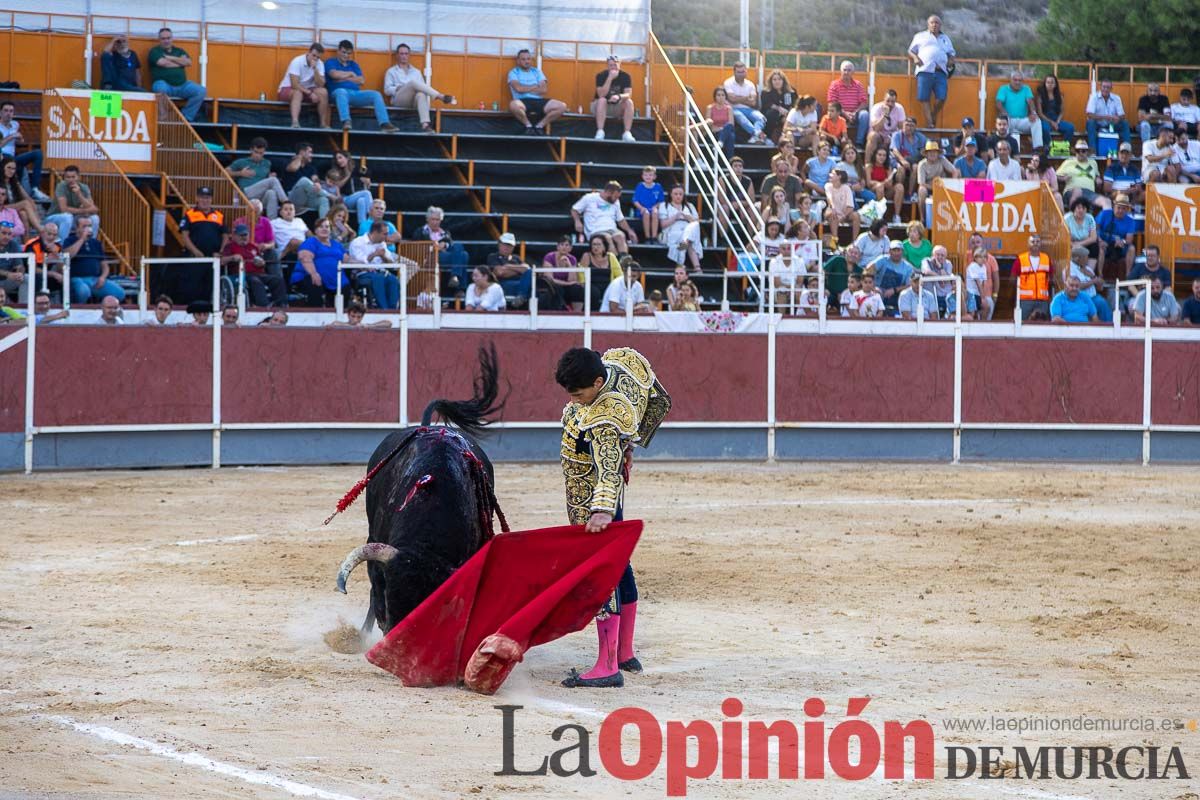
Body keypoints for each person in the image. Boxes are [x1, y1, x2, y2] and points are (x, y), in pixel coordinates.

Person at [556, 346, 671, 688]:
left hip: (592, 497)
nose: (575, 401)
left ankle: (607, 666)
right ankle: (624, 653)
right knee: (620, 565)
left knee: (601, 568)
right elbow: (657, 398)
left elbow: (606, 470)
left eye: (579, 394)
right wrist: (631, 444)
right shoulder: (621, 365)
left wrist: (602, 509)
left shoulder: (605, 417)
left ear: (596, 380)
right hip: (603, 492)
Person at [326, 40, 397, 133]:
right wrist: (351, 74)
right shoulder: (330, 62)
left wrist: (342, 78)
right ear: (338, 51)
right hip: (338, 93)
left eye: (348, 53)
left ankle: (385, 124)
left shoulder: (353, 64)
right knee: (341, 91)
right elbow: (334, 75)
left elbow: (361, 80)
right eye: (343, 52)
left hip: (355, 93)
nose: (346, 55)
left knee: (376, 94)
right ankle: (346, 121)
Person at [384, 43, 453, 134]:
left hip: (414, 101)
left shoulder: (416, 72)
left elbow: (423, 88)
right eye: (401, 54)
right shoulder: (391, 71)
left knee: (421, 94)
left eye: (406, 53)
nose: (404, 56)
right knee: (412, 83)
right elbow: (387, 90)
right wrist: (397, 88)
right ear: (397, 55)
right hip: (399, 99)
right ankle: (440, 96)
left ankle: (425, 125)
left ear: (409, 55)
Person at [177, 187, 226, 304]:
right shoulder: (189, 214)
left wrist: (220, 251)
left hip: (212, 259)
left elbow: (225, 235)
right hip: (194, 258)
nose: (205, 200)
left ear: (211, 199)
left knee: (209, 288)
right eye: (202, 197)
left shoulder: (219, 216)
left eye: (208, 198)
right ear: (197, 198)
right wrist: (195, 251)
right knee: (192, 288)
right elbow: (184, 236)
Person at [221, 223, 287, 308]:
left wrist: (261, 263)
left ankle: (281, 304)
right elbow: (222, 261)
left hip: (258, 273)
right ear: (235, 236)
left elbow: (261, 261)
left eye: (245, 235)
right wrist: (232, 257)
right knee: (255, 281)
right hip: (241, 275)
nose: (244, 237)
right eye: (241, 235)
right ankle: (263, 305)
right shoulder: (230, 247)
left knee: (277, 280)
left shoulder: (253, 247)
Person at [148, 28, 206, 122]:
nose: (166, 41)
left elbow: (188, 62)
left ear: (172, 38)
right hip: (165, 85)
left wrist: (170, 57)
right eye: (163, 38)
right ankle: (164, 116)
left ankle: (185, 117)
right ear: (159, 40)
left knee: (201, 91)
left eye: (168, 38)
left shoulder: (179, 50)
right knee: (159, 87)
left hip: (182, 85)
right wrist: (180, 62)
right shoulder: (155, 51)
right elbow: (163, 63)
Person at [907, 15, 955, 127]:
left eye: (937, 23)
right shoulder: (920, 36)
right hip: (924, 70)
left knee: (941, 97)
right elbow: (910, 51)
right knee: (924, 98)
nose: (934, 25)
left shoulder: (945, 38)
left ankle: (933, 115)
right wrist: (915, 58)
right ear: (928, 24)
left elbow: (952, 54)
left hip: (940, 71)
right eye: (932, 22)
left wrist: (950, 61)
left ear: (940, 25)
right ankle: (930, 123)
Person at [63, 218, 124, 304]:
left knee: (120, 293)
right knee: (83, 291)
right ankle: (80, 311)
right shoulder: (69, 240)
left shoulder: (96, 243)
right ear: (77, 228)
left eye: (89, 226)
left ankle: (102, 307)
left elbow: (104, 265)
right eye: (84, 226)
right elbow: (68, 255)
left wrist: (102, 277)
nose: (87, 229)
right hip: (78, 279)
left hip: (95, 279)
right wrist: (82, 239)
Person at [507, 48, 566, 135]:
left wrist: (525, 88)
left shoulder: (537, 72)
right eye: (523, 59)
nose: (527, 61)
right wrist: (535, 86)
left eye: (528, 59)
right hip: (522, 101)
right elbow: (518, 89)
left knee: (562, 106)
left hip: (538, 101)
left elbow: (543, 90)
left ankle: (540, 126)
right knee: (513, 105)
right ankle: (528, 125)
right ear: (518, 61)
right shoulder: (513, 72)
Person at [291, 217, 347, 306]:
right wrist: (313, 273)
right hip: (312, 276)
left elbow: (348, 259)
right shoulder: (310, 242)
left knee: (346, 287)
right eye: (321, 227)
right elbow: (305, 258)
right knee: (314, 284)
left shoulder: (336, 245)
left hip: (336, 279)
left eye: (327, 227)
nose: (324, 229)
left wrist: (365, 265)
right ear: (315, 230)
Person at [227, 137, 287, 218]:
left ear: (264, 152)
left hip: (261, 196)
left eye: (261, 153)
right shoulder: (241, 161)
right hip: (246, 193)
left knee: (271, 193)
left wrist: (269, 176)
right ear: (251, 150)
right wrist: (240, 173)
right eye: (256, 152)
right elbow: (224, 172)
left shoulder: (267, 163)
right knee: (273, 180)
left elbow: (265, 181)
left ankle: (272, 223)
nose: (258, 155)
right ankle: (287, 204)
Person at [346, 221, 400, 309]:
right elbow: (360, 263)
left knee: (393, 280)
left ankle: (393, 310)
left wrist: (383, 256)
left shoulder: (382, 243)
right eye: (384, 234)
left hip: (380, 272)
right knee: (379, 278)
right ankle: (384, 309)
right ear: (375, 233)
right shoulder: (358, 242)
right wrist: (374, 254)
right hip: (363, 273)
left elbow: (391, 264)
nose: (387, 237)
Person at [571, 181, 636, 254]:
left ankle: (624, 259)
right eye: (615, 197)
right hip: (595, 230)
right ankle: (616, 262)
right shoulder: (589, 198)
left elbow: (620, 220)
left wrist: (629, 230)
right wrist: (577, 221)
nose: (616, 199)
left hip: (612, 229)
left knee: (620, 236)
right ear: (608, 192)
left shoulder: (616, 202)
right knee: (607, 238)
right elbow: (574, 210)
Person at [0, 103, 47, 204]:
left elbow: (20, 141)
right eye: (6, 110)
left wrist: (20, 138)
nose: (8, 113)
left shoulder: (15, 124)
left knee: (38, 153)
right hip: (2, 157)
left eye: (11, 111)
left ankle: (35, 188)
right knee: (11, 160)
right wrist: (12, 137)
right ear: (1, 112)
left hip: (13, 158)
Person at [278, 43, 330, 129]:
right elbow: (294, 84)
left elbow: (321, 84)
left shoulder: (319, 64)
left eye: (318, 57)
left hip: (307, 90)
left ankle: (323, 124)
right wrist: (310, 93)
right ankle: (295, 122)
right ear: (308, 53)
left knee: (323, 92)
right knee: (298, 93)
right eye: (314, 55)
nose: (315, 58)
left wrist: (315, 70)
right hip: (288, 89)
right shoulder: (297, 61)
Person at [45, 165, 99, 243]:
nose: (71, 180)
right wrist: (84, 211)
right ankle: (61, 248)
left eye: (73, 177)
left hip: (73, 218)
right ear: (64, 178)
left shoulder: (84, 187)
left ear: (78, 177)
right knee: (67, 217)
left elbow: (94, 209)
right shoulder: (61, 186)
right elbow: (64, 209)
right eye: (68, 177)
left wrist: (79, 194)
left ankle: (91, 244)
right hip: (55, 217)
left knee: (95, 218)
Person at [658, 185, 702, 272]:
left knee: (689, 236)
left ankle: (681, 265)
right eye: (675, 194)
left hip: (687, 232)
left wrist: (687, 217)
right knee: (687, 240)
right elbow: (663, 224)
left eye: (680, 194)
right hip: (671, 232)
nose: (678, 196)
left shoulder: (690, 206)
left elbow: (696, 223)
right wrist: (676, 216)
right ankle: (696, 267)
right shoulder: (664, 205)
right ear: (671, 194)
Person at [723, 61, 768, 144]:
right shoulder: (728, 82)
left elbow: (753, 102)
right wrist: (746, 98)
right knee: (740, 117)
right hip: (733, 109)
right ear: (734, 72)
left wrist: (737, 98)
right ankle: (757, 134)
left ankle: (755, 135)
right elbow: (731, 99)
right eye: (738, 72)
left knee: (762, 118)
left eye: (743, 72)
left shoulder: (750, 84)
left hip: (749, 109)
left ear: (746, 72)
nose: (741, 74)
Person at [996, 70, 1043, 150]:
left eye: (1020, 80)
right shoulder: (1003, 89)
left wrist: (1033, 113)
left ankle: (1037, 148)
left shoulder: (1026, 89)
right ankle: (1004, 148)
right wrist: (1005, 113)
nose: (1017, 82)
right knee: (1003, 121)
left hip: (1022, 120)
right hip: (1009, 119)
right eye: (1015, 80)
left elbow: (1030, 102)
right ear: (1010, 80)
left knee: (1036, 120)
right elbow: (999, 103)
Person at [827, 61, 870, 148]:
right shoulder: (834, 85)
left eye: (849, 70)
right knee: (832, 112)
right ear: (841, 71)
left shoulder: (858, 85)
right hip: (840, 113)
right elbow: (832, 103)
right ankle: (835, 143)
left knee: (865, 115)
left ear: (853, 72)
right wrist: (845, 113)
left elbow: (864, 102)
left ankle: (859, 143)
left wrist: (855, 113)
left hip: (855, 114)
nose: (846, 72)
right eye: (844, 70)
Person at [592, 55, 635, 142]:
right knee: (602, 100)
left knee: (629, 102)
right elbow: (601, 94)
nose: (613, 67)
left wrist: (618, 96)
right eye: (611, 65)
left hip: (617, 107)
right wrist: (610, 78)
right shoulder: (601, 76)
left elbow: (628, 94)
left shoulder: (625, 76)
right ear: (607, 66)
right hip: (600, 107)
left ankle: (627, 133)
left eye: (615, 65)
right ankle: (600, 131)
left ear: (620, 64)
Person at [1063, 244, 1111, 322]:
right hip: (1078, 298)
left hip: (1093, 296)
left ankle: (1109, 327)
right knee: (1101, 302)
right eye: (1086, 257)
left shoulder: (1088, 269)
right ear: (1078, 258)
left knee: (1103, 302)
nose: (1087, 259)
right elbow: (1076, 285)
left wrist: (1093, 277)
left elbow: (1100, 287)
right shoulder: (1069, 269)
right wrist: (1093, 281)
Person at [1096, 193, 1138, 281]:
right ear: (1114, 206)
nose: (1120, 210)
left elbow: (1129, 240)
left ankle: (1128, 275)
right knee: (1101, 249)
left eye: (1123, 208)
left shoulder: (1130, 221)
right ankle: (1100, 275)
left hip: (1119, 247)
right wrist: (1100, 241)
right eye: (1118, 207)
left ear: (1127, 209)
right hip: (1104, 244)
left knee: (1132, 248)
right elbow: (1094, 229)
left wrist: (1122, 242)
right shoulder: (1104, 214)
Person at [1056, 140, 1107, 212]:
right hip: (1071, 191)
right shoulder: (1068, 162)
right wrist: (1063, 178)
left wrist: (1098, 179)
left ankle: (1098, 223)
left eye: (1083, 151)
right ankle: (1072, 218)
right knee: (1078, 191)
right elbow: (1056, 176)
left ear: (1087, 152)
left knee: (1106, 202)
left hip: (1090, 193)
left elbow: (1097, 176)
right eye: (1078, 151)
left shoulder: (1093, 163)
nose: (1080, 153)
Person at [1012, 233, 1053, 321]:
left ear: (1041, 244)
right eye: (1032, 241)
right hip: (1025, 300)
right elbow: (1013, 279)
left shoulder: (1046, 258)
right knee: (1023, 324)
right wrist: (1015, 298)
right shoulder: (1021, 259)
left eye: (1038, 241)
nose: (1035, 243)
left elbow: (1051, 278)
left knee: (1043, 325)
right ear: (1028, 244)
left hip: (1042, 300)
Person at [1085, 79, 1131, 153]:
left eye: (1108, 87)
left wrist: (1118, 118)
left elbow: (1122, 115)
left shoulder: (1116, 98)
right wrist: (1106, 117)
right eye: (1104, 87)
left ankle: (1128, 150)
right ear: (1100, 87)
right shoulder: (1094, 97)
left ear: (1111, 89)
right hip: (1097, 124)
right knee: (1090, 123)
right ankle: (1093, 152)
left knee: (1124, 123)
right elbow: (1089, 114)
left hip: (1112, 124)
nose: (1105, 89)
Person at [541, 235, 585, 311]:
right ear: (557, 247)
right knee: (557, 288)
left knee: (578, 289)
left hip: (566, 286)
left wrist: (569, 265)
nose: (564, 247)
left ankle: (577, 314)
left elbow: (572, 280)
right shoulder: (549, 257)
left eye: (567, 245)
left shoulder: (572, 259)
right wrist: (568, 284)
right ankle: (561, 311)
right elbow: (549, 279)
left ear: (571, 248)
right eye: (561, 244)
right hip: (553, 286)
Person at [487, 232, 532, 303]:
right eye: (505, 244)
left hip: (520, 283)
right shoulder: (493, 257)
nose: (507, 247)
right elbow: (500, 272)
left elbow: (527, 269)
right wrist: (519, 271)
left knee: (531, 276)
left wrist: (508, 266)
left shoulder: (516, 258)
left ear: (513, 247)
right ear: (499, 244)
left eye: (510, 245)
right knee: (527, 286)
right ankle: (522, 296)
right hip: (503, 284)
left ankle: (521, 297)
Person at [964, 232, 999, 320]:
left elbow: (996, 279)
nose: (975, 244)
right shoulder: (966, 257)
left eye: (978, 242)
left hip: (987, 296)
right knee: (972, 317)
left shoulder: (990, 259)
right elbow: (975, 281)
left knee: (986, 319)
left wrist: (994, 295)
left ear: (982, 243)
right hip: (971, 295)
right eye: (973, 242)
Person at [866, 146, 905, 223]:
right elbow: (869, 183)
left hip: (886, 191)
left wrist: (886, 183)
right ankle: (880, 216)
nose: (882, 157)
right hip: (873, 191)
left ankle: (897, 216)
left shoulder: (888, 167)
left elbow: (890, 184)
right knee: (880, 187)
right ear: (875, 155)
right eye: (879, 155)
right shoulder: (869, 166)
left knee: (899, 187)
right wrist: (882, 183)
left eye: (884, 155)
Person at [890, 117, 927, 197]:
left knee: (916, 167)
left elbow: (928, 148)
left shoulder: (921, 137)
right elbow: (894, 150)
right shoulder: (897, 135)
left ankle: (910, 194)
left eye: (911, 126)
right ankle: (900, 192)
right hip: (898, 160)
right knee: (901, 169)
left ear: (915, 127)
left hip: (914, 161)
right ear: (903, 125)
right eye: (907, 125)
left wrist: (924, 152)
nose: (909, 128)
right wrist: (902, 160)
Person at [1036, 74, 1075, 147]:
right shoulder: (1040, 96)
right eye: (1048, 82)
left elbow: (1062, 111)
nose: (1050, 84)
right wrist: (1051, 122)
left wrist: (1057, 121)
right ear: (1045, 84)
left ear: (1055, 84)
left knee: (1070, 127)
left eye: (1052, 82)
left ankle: (1063, 147)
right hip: (1045, 120)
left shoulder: (1059, 96)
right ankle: (1049, 147)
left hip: (1056, 119)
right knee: (1044, 129)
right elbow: (1040, 113)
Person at [916, 140, 957, 210]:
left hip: (942, 187)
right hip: (928, 187)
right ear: (926, 154)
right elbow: (921, 183)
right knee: (922, 190)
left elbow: (954, 171)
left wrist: (952, 184)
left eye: (935, 152)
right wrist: (934, 187)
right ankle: (922, 217)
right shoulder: (922, 164)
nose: (933, 154)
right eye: (930, 152)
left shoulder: (942, 160)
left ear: (938, 153)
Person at [824, 168, 860, 242]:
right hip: (832, 212)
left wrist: (843, 216)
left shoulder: (846, 188)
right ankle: (835, 241)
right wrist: (833, 208)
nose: (830, 175)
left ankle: (855, 241)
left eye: (832, 174)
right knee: (833, 215)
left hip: (845, 214)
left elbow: (850, 207)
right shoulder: (828, 186)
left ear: (839, 176)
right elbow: (829, 197)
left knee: (856, 215)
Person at [760, 70, 796, 144]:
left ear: (783, 80)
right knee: (772, 113)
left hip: (787, 115)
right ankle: (769, 137)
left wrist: (788, 113)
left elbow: (794, 105)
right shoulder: (766, 92)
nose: (777, 81)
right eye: (774, 79)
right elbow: (767, 104)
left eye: (779, 79)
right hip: (772, 116)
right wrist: (779, 108)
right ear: (771, 81)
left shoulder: (791, 91)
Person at [632, 166, 663, 243]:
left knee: (655, 213)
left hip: (653, 208)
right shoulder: (640, 186)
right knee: (646, 213)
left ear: (654, 176)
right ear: (642, 176)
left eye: (650, 175)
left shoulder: (658, 186)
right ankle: (648, 237)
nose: (648, 177)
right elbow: (635, 200)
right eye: (646, 175)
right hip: (642, 209)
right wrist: (641, 208)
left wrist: (655, 207)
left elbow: (661, 201)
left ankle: (654, 237)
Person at [920, 244, 954, 314]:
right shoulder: (926, 261)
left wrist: (940, 267)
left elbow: (946, 279)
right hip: (931, 295)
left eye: (942, 255)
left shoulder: (948, 263)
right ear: (933, 255)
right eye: (937, 254)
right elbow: (927, 271)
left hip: (945, 295)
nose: (940, 257)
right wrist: (939, 277)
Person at [1066, 197, 1099, 269]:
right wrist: (1073, 244)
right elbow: (1064, 238)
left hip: (1084, 243)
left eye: (1084, 208)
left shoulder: (1090, 218)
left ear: (1086, 209)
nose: (1081, 210)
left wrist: (1079, 244)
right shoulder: (1067, 219)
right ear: (1074, 208)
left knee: (1095, 246)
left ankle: (1090, 270)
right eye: (1078, 208)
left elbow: (1093, 238)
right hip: (1071, 244)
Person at [706, 87, 737, 158]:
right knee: (731, 137)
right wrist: (721, 129)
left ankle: (720, 142)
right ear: (715, 97)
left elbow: (731, 124)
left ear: (725, 97)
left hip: (727, 130)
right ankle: (730, 161)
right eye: (718, 95)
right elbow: (709, 124)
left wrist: (723, 129)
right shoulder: (710, 108)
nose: (721, 97)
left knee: (729, 127)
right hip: (715, 132)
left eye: (723, 95)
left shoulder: (729, 108)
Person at [963, 247, 989, 320]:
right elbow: (978, 282)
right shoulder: (973, 266)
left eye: (985, 257)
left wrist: (983, 295)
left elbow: (984, 283)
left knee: (986, 307)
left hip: (978, 293)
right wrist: (983, 298)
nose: (983, 259)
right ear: (975, 257)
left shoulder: (984, 267)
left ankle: (982, 325)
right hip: (971, 293)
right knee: (973, 313)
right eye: (980, 257)